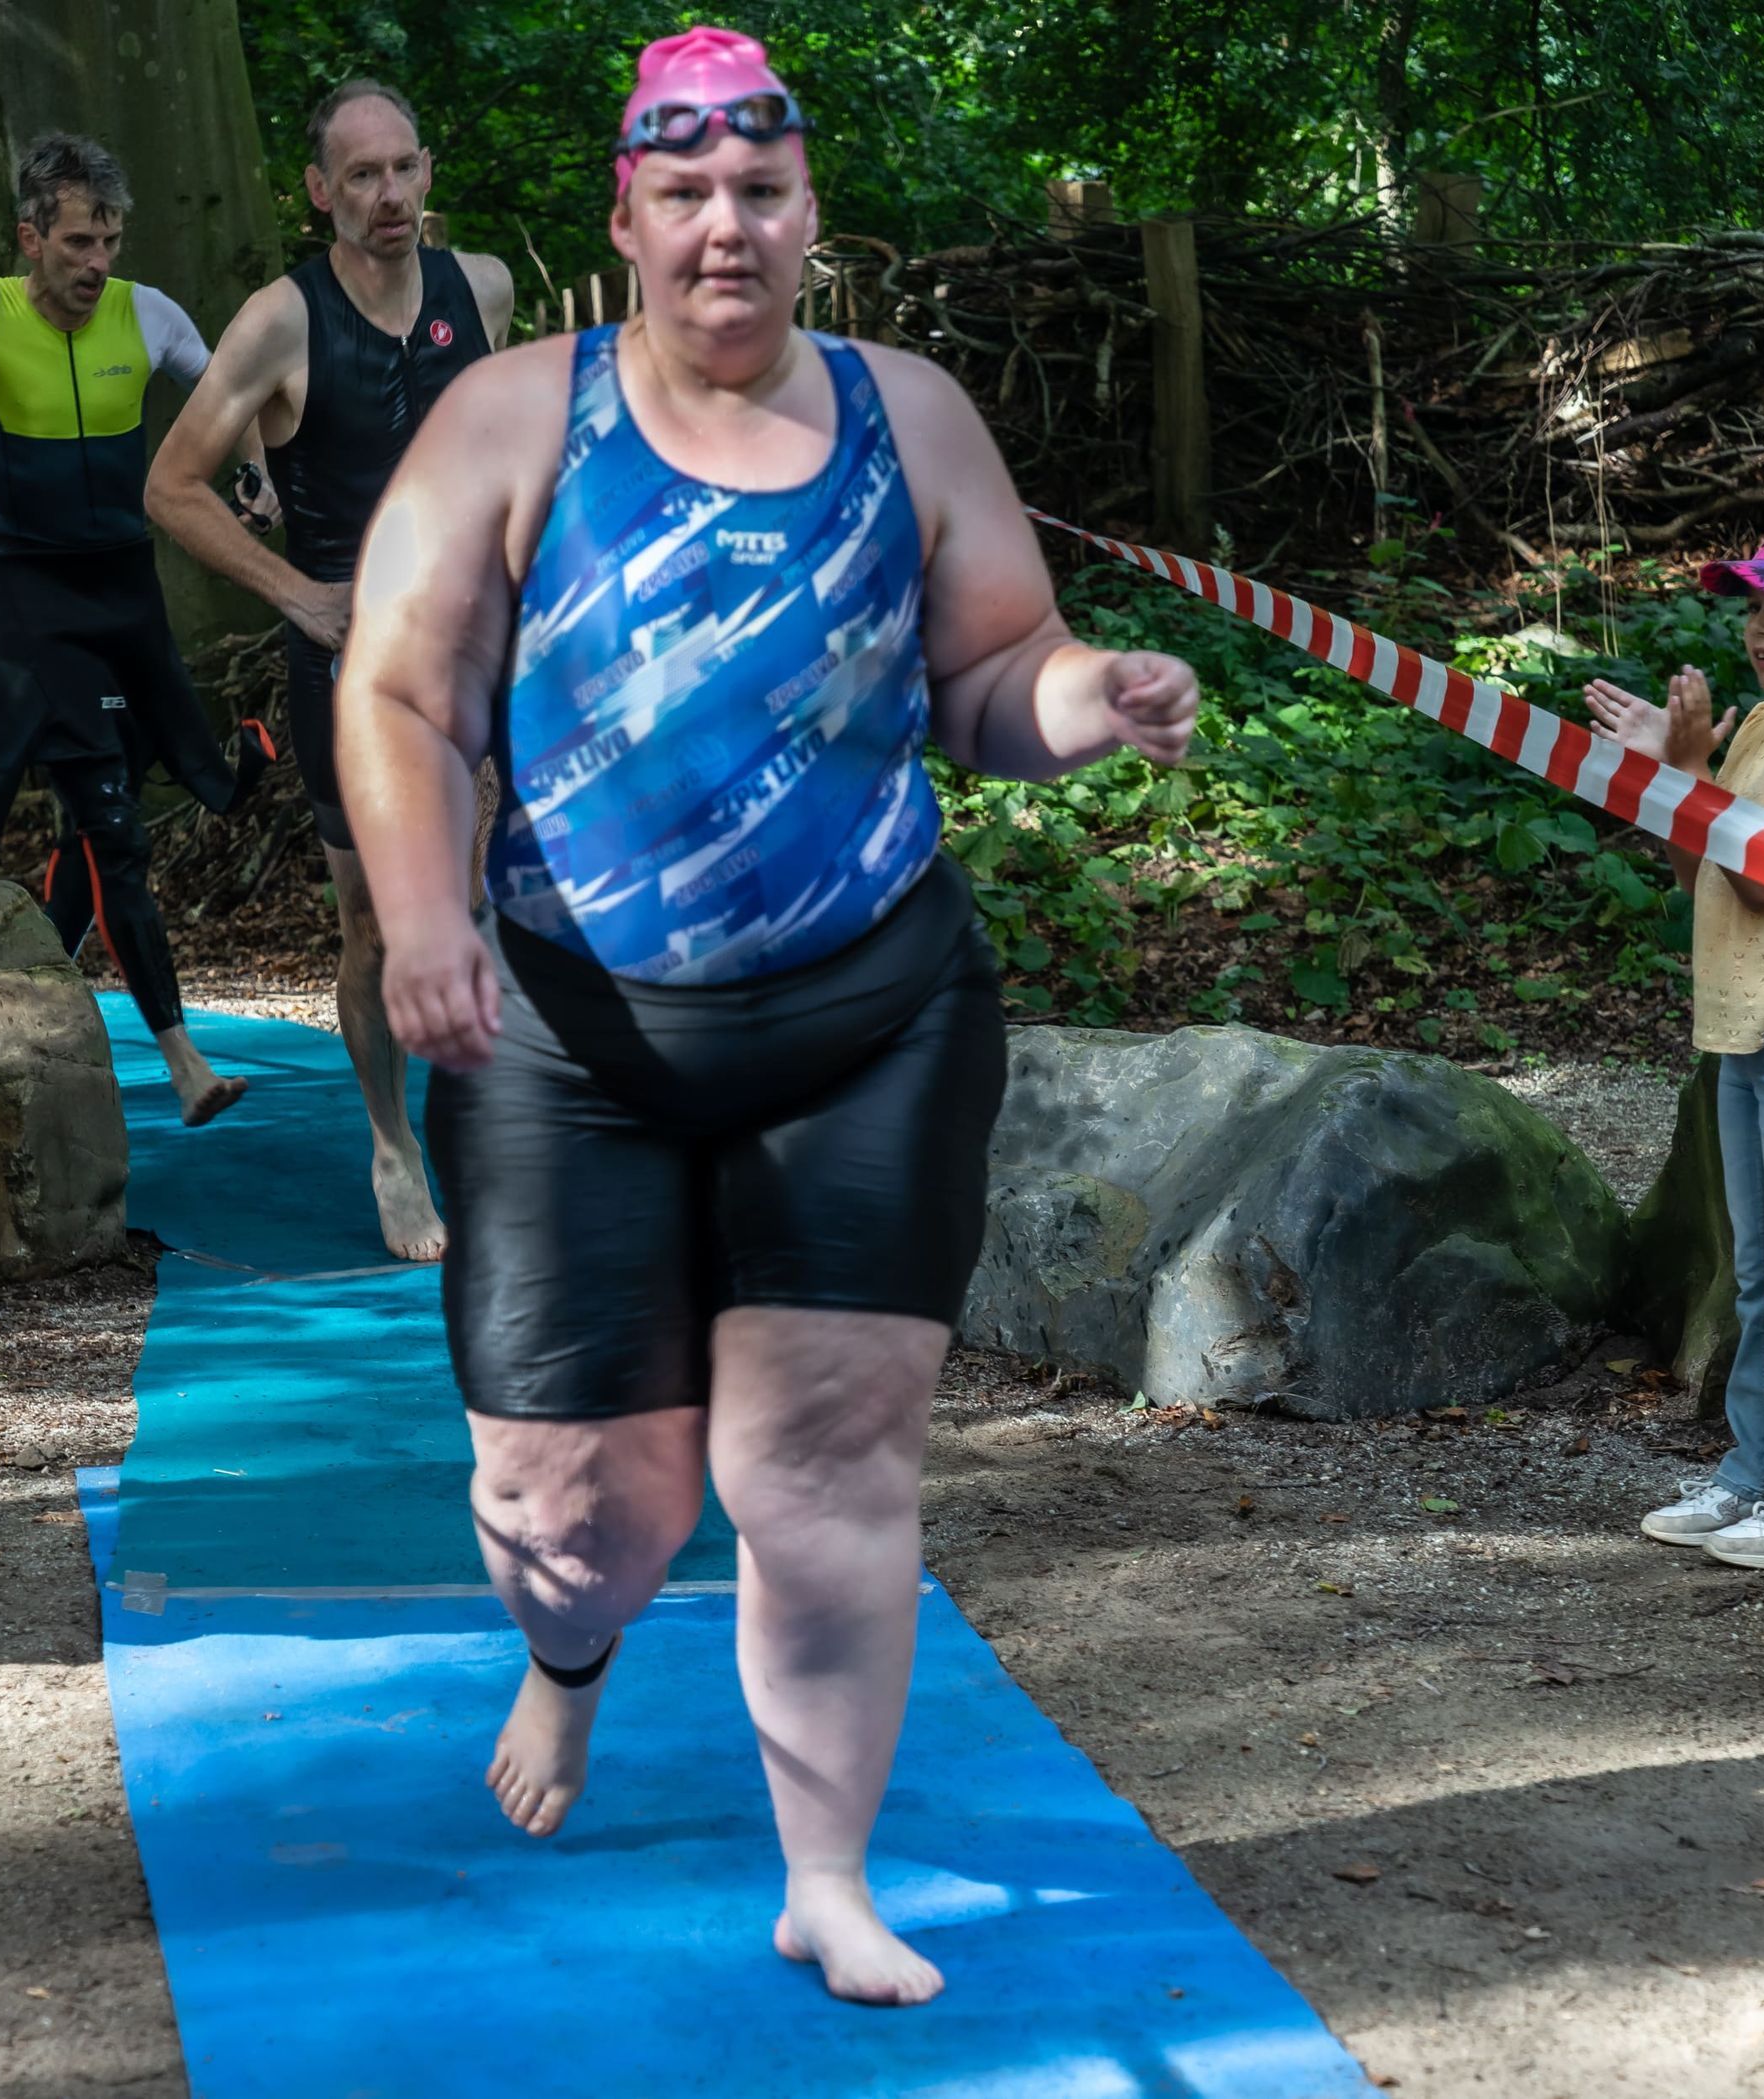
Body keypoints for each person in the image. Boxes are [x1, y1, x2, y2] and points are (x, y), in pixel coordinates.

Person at [334, 27, 1201, 2006]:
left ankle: (830, 1872)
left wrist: (1087, 703)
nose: (728, 225)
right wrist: (415, 915)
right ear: (626, 219)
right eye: (688, 195)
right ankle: (569, 1660)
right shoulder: (507, 419)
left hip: (869, 1013)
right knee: (583, 1513)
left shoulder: (914, 415)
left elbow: (998, 668)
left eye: (764, 192)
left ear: (811, 214)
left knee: (828, 1458)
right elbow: (400, 688)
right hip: (571, 1036)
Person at [146, 81, 514, 1259]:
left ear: (426, 172)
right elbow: (172, 484)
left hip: (469, 649)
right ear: (320, 193)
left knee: (465, 906)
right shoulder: (279, 322)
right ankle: (390, 1141)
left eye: (403, 168)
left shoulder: (486, 290)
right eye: (361, 176)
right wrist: (296, 593)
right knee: (370, 927)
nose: (389, 195)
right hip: (349, 671)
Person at [0, 132, 276, 1127]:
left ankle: (68, 1015)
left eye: (108, 239)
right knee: (40, 799)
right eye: (76, 242)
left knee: (158, 804)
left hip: (123, 592)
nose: (98, 263)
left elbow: (253, 388)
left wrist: (264, 467)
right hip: (28, 595)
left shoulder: (151, 315)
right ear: (30, 238)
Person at [1590, 519, 1764, 1573]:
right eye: (1757, 606)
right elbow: (1696, 872)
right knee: (1755, 1274)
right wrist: (1678, 775)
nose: (1761, 626)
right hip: (1740, 1026)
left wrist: (1683, 767)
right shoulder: (1762, 722)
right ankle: (1753, 1472)